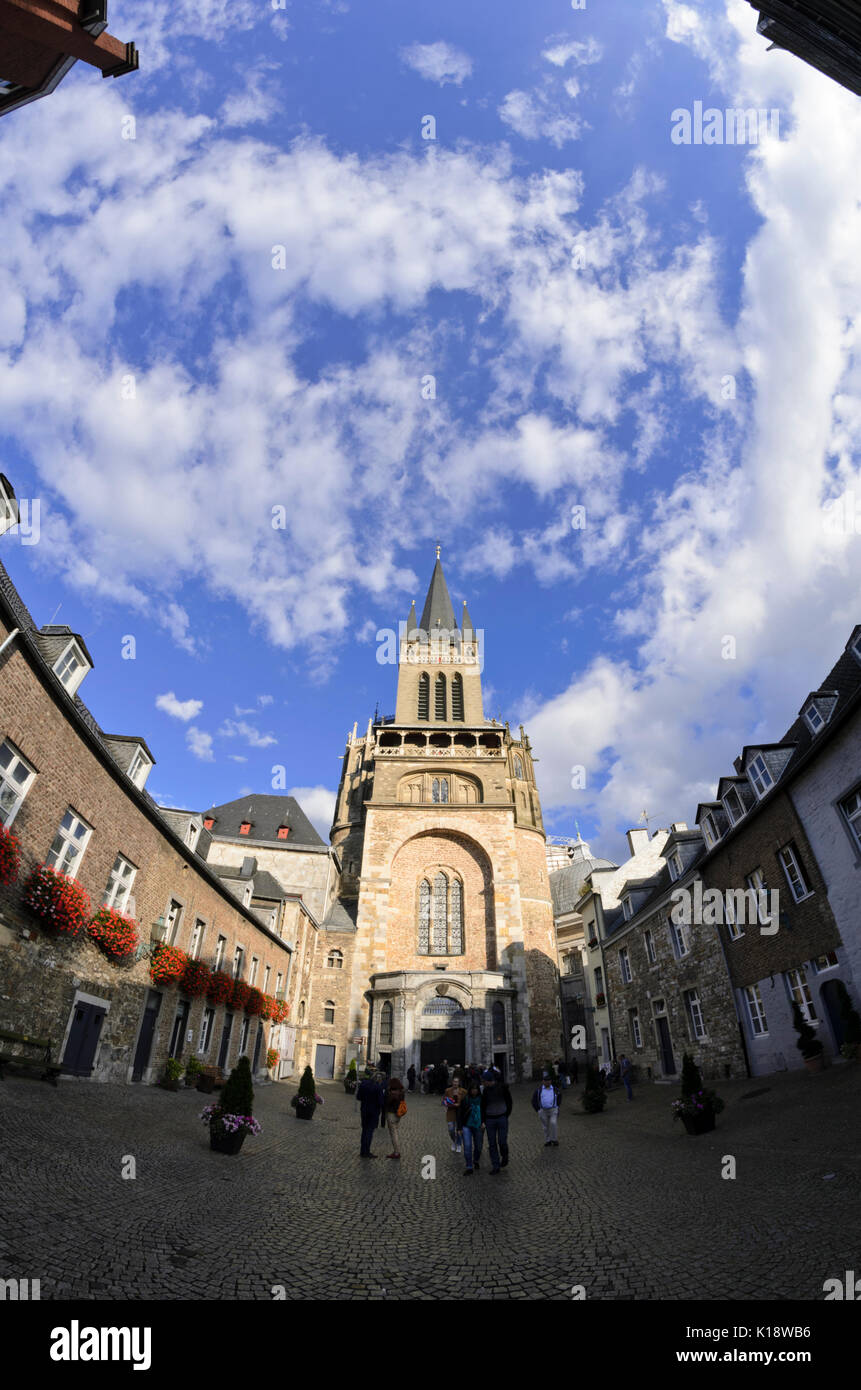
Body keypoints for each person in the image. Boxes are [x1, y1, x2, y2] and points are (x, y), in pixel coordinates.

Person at [481, 1067, 513, 1174]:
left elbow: (509, 1102)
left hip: (501, 1118)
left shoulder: (502, 1088)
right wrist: (483, 1120)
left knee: (502, 1141)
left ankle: (505, 1155)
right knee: (492, 1143)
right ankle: (495, 1165)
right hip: (490, 1120)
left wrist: (506, 1114)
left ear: (488, 1081)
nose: (483, 1083)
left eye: (484, 1081)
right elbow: (483, 1105)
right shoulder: (485, 1091)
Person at [356, 1069, 386, 1157]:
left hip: (364, 1110)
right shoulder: (378, 1087)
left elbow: (358, 1097)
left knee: (364, 1130)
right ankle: (366, 1152)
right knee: (369, 1132)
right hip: (373, 1112)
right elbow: (381, 1102)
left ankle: (362, 1151)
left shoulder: (363, 1084)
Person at [458, 1080, 484, 1175]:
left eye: (476, 1089)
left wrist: (484, 1122)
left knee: (478, 1146)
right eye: (473, 1089)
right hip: (466, 1125)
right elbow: (460, 1113)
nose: (474, 1091)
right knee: (467, 1146)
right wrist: (459, 1127)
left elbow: (485, 1112)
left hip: (478, 1125)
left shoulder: (482, 1099)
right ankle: (469, 1166)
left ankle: (476, 1160)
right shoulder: (466, 1099)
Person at [531, 1070, 561, 1146]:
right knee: (545, 1126)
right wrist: (538, 1110)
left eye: (549, 1081)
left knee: (553, 1123)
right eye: (545, 1081)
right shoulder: (539, 1090)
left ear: (551, 1081)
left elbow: (559, 1097)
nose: (547, 1082)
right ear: (543, 1081)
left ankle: (554, 1139)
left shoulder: (555, 1089)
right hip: (543, 1110)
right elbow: (533, 1100)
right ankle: (548, 1140)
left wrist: (557, 1106)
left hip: (553, 1110)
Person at [443, 1075, 466, 1152]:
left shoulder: (463, 1091)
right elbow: (444, 1100)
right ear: (452, 1082)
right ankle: (454, 1141)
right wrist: (447, 1104)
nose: (455, 1083)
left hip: (460, 1113)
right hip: (450, 1112)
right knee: (451, 1129)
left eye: (457, 1082)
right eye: (454, 1081)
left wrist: (459, 1105)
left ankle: (459, 1144)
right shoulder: (448, 1090)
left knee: (459, 1129)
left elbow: (466, 1102)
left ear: (459, 1083)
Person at [385, 1075, 406, 1158]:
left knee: (393, 1134)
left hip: (391, 1114)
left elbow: (387, 1103)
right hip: (398, 1115)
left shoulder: (392, 1094)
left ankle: (396, 1152)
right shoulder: (401, 1092)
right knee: (395, 1132)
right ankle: (396, 1151)